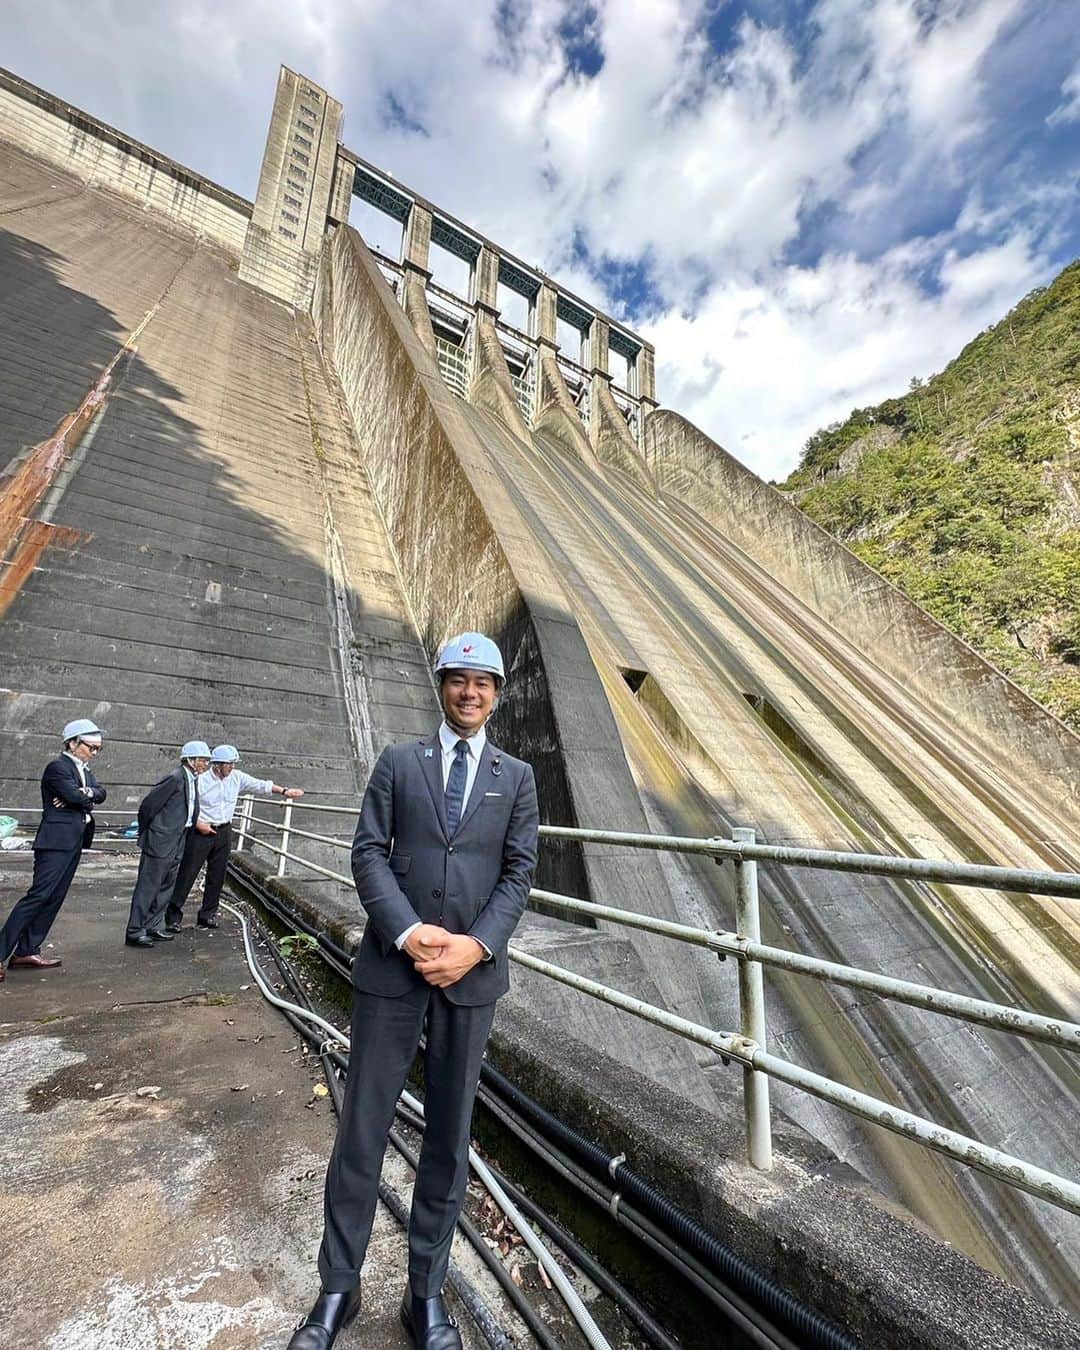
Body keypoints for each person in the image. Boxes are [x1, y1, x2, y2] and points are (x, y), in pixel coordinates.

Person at [289, 633, 539, 1350]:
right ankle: (337, 1290)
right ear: (442, 685)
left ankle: (423, 1295)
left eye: (482, 682)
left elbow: (518, 872)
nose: (470, 693)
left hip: (471, 979)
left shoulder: (515, 775)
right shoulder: (399, 761)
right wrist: (406, 933)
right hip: (392, 973)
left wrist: (475, 946)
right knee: (362, 1130)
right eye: (458, 680)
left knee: (447, 1140)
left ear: (497, 691)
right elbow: (367, 851)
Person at [0, 719, 106, 981]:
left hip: (73, 841)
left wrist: (84, 793)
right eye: (90, 747)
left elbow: (100, 793)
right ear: (72, 743)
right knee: (38, 896)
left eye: (98, 749)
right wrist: (82, 796)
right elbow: (76, 798)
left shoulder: (83, 770)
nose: (94, 753)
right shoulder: (58, 767)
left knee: (54, 898)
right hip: (55, 842)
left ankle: (26, 950)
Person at [164, 744, 305, 931]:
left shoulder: (236, 778)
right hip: (201, 831)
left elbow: (261, 785)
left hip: (223, 831)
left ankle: (207, 915)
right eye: (228, 764)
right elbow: (187, 806)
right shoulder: (200, 781)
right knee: (188, 873)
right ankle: (173, 917)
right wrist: (199, 824)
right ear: (216, 764)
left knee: (217, 875)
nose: (231, 768)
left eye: (233, 764)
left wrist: (285, 791)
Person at [125, 740, 211, 949]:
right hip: (161, 840)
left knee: (166, 885)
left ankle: (154, 925)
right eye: (203, 760)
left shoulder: (192, 779)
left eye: (207, 760)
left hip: (179, 837)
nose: (205, 764)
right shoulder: (175, 778)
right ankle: (135, 930)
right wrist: (150, 832)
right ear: (190, 760)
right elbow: (148, 806)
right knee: (149, 886)